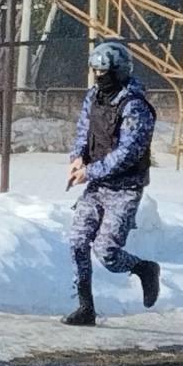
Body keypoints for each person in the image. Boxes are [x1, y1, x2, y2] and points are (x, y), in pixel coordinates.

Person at [62, 40, 161, 326]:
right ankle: (85, 308)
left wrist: (90, 171)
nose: (98, 77)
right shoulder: (94, 97)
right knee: (78, 242)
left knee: (107, 252)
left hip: (124, 188)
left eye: (104, 72)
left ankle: (144, 269)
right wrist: (77, 158)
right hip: (96, 185)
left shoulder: (135, 106)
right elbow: (84, 129)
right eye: (95, 71)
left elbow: (128, 153)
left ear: (118, 71)